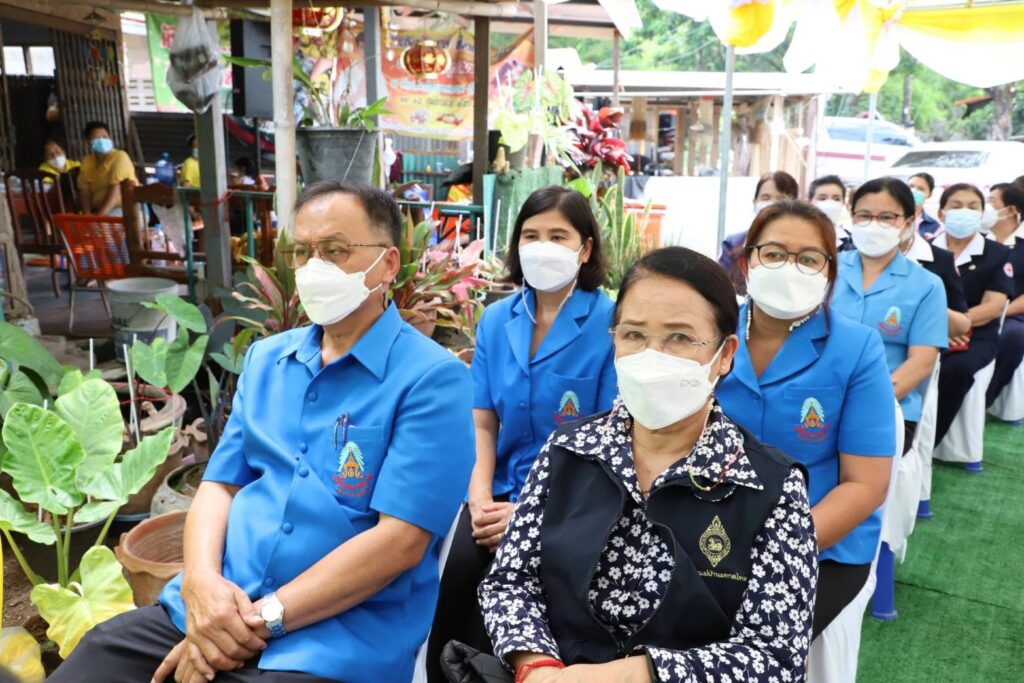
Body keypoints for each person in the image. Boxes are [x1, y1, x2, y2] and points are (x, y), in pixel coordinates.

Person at [49, 181, 476, 683]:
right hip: (216, 605)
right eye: (303, 252)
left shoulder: (432, 379)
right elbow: (219, 484)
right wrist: (201, 585)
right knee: (95, 661)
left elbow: (399, 541)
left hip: (337, 637)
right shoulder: (267, 359)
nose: (313, 268)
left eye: (335, 251)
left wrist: (253, 622)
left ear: (387, 265)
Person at [477, 247, 817, 683]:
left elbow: (775, 657)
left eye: (680, 338)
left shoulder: (769, 487)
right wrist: (538, 667)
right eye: (634, 335)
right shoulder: (568, 451)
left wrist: (627, 675)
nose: (652, 355)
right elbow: (510, 582)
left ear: (725, 353)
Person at [427, 186, 617, 682]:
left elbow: (609, 443)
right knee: (455, 581)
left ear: (585, 248)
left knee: (529, 597)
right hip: (495, 496)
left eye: (558, 236)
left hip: (573, 504)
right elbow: (482, 420)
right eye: (531, 235)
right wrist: (479, 500)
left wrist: (531, 515)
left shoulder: (611, 323)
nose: (542, 247)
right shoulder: (497, 319)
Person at [717, 201, 896, 641]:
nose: (789, 268)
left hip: (820, 547)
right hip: (705, 533)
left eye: (808, 259)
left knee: (743, 646)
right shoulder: (710, 333)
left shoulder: (857, 348)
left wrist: (778, 547)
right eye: (774, 254)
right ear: (747, 263)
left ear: (829, 272)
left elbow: (865, 484)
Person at [831, 178, 948, 451]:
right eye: (864, 215)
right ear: (852, 217)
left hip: (888, 407)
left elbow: (921, 362)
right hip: (817, 398)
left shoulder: (927, 286)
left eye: (886, 217)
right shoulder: (828, 269)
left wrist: (863, 404)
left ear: (908, 222)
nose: (874, 224)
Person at [930, 183, 1013, 446]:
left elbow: (993, 306)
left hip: (976, 335)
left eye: (972, 206)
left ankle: (930, 442)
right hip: (927, 329)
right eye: (956, 206)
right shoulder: (926, 250)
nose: (964, 211)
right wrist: (938, 326)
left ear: (981, 214)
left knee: (956, 369)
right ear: (941, 213)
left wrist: (955, 324)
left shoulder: (998, 253)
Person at [719, 170, 800, 295]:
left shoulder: (803, 246)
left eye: (781, 199)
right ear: (755, 202)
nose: (772, 204)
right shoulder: (733, 243)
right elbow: (721, 287)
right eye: (765, 198)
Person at [985, 183, 1024, 407]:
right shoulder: (979, 239)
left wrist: (1001, 311)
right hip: (975, 308)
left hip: (1013, 312)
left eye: (992, 202)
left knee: (1013, 335)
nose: (985, 208)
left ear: (1010, 210)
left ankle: (986, 399)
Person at [77, 121, 137, 216]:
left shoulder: (120, 156)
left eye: (105, 137)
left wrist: (98, 218)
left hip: (127, 208)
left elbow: (116, 188)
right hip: (99, 211)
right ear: (88, 142)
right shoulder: (87, 162)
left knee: (102, 224)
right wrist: (87, 215)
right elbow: (84, 191)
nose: (102, 141)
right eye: (96, 138)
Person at [808, 174, 853, 250]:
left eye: (836, 199)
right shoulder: (797, 235)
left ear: (843, 203)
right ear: (810, 202)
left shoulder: (851, 241)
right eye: (822, 198)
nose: (830, 204)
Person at [909, 172, 942, 238]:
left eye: (920, 189)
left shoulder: (934, 226)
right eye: (911, 186)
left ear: (929, 195)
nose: (913, 191)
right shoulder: (891, 216)